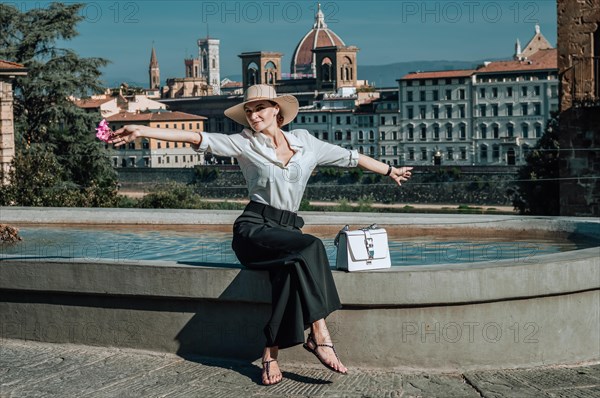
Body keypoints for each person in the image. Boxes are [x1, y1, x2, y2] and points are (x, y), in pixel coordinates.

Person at [110, 84, 413, 386]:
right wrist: (142, 130)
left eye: (259, 109)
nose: (253, 116)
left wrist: (390, 171)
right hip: (253, 229)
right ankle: (320, 332)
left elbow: (352, 157)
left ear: (276, 110)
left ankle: (270, 355)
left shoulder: (306, 143)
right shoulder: (245, 143)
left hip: (287, 232)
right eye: (249, 111)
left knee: (291, 271)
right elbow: (196, 137)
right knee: (311, 246)